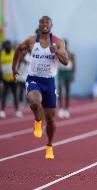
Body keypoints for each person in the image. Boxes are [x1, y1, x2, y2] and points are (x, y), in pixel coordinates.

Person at [12, 16, 68, 159]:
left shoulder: (58, 42)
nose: (44, 25)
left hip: (49, 82)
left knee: (50, 119)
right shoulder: (31, 41)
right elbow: (18, 50)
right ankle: (37, 120)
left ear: (51, 25)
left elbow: (66, 61)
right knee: (35, 101)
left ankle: (49, 145)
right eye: (42, 22)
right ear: (39, 25)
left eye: (47, 23)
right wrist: (14, 68)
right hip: (34, 79)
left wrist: (56, 51)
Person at [0, 40, 22, 118]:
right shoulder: (1, 54)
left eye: (9, 46)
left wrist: (17, 73)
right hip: (5, 79)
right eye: (6, 46)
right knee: (4, 95)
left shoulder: (14, 53)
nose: (8, 47)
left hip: (14, 78)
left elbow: (19, 63)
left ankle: (17, 111)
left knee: (15, 94)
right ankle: (2, 111)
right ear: (4, 47)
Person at [57, 39, 75, 119]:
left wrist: (73, 74)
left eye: (65, 44)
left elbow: (74, 64)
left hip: (68, 73)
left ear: (67, 45)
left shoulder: (71, 53)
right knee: (60, 89)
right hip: (61, 73)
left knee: (67, 91)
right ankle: (61, 108)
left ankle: (66, 109)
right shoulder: (59, 52)